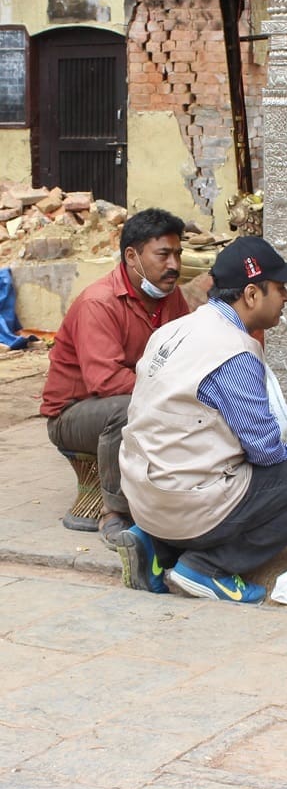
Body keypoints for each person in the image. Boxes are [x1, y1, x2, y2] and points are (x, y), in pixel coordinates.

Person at [116, 235, 287, 604]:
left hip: (144, 499)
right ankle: (209, 567)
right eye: (280, 288)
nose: (286, 298)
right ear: (252, 295)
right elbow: (265, 451)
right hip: (188, 505)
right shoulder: (233, 351)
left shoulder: (174, 329)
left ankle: (156, 547)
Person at [40, 208, 189, 547]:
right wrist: (172, 390)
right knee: (126, 408)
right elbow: (105, 382)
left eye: (178, 254)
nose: (174, 265)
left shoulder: (171, 296)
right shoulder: (99, 302)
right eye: (164, 255)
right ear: (132, 256)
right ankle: (115, 512)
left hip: (135, 397)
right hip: (73, 413)